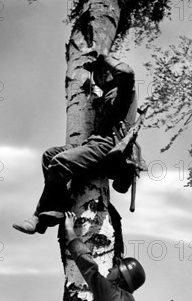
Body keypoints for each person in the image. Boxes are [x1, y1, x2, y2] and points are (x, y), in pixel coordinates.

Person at [13, 52, 137, 235]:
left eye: (105, 71)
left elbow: (126, 73)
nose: (101, 74)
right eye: (97, 73)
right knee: (49, 155)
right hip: (93, 144)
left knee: (60, 162)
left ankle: (37, 216)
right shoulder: (104, 96)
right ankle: (55, 210)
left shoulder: (124, 91)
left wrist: (104, 59)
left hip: (109, 146)